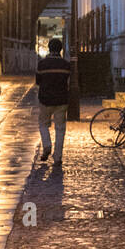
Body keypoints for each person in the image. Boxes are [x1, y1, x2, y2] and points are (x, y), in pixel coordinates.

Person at [36, 37, 71, 166]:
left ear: (49, 49)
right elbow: (68, 81)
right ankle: (58, 157)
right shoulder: (66, 65)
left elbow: (38, 82)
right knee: (60, 129)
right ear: (60, 49)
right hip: (61, 100)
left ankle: (46, 145)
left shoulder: (42, 64)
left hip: (45, 99)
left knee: (43, 124)